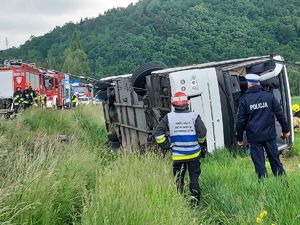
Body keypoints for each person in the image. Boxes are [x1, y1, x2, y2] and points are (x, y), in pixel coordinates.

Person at [154, 91, 207, 207]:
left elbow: (158, 134)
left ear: (173, 104)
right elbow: (203, 132)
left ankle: (180, 201)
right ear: (187, 103)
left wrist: (166, 145)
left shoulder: (168, 117)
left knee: (179, 178)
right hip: (194, 154)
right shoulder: (194, 116)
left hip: (178, 155)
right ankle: (195, 203)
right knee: (194, 177)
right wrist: (200, 143)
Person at [235, 74, 290, 179]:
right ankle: (283, 186)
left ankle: (264, 190)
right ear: (258, 83)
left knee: (260, 165)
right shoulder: (269, 96)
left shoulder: (244, 100)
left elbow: (240, 121)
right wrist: (285, 130)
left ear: (248, 83)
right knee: (276, 162)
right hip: (269, 136)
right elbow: (280, 114)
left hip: (254, 138)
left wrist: (239, 138)